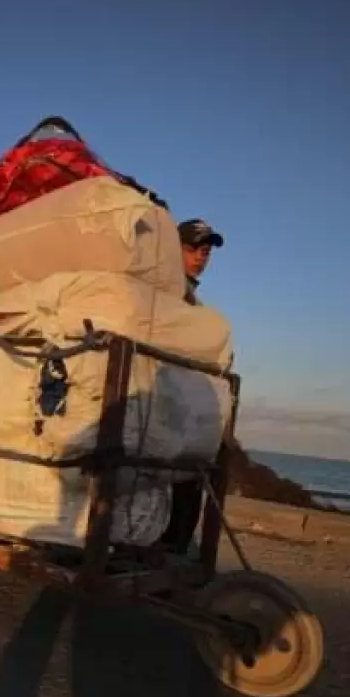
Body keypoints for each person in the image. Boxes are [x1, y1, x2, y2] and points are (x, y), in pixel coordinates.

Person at [159, 219, 225, 553]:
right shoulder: (167, 287)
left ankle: (171, 547)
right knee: (184, 478)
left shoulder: (191, 295)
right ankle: (168, 549)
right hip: (162, 397)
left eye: (206, 250)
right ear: (174, 247)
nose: (201, 256)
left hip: (177, 399)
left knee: (190, 478)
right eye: (193, 248)